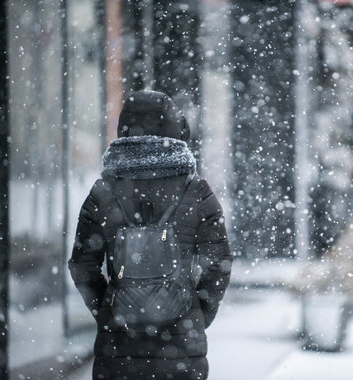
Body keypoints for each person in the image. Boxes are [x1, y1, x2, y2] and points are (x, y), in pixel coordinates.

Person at [69, 90, 232, 380]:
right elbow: (219, 262)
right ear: (174, 128)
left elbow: (82, 265)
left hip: (118, 349)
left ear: (123, 131)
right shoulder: (196, 191)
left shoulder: (103, 192)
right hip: (182, 349)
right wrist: (198, 312)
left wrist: (108, 309)